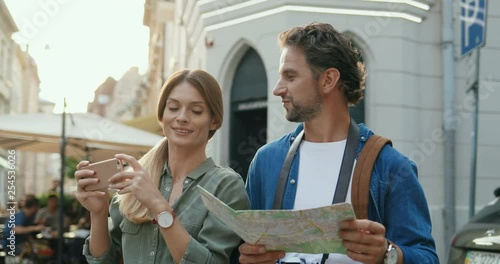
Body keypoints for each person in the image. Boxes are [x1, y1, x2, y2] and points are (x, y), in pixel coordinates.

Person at [238, 22, 438, 264]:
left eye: (290, 76)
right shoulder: (266, 161)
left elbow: (427, 258)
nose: (278, 89)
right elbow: (240, 250)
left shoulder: (391, 166)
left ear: (328, 80)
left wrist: (388, 253)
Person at [75, 69, 250, 263]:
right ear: (162, 115)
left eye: (196, 110)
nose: (182, 117)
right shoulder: (135, 179)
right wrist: (98, 213)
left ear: (214, 121)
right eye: (173, 108)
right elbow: (104, 261)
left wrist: (158, 206)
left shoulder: (226, 186)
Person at [3, 196, 46, 262]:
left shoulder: (27, 217)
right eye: (37, 207)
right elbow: (15, 229)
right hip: (13, 247)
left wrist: (33, 243)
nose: (38, 209)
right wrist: (35, 228)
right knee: (33, 255)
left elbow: (27, 234)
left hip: (20, 244)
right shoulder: (21, 216)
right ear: (33, 207)